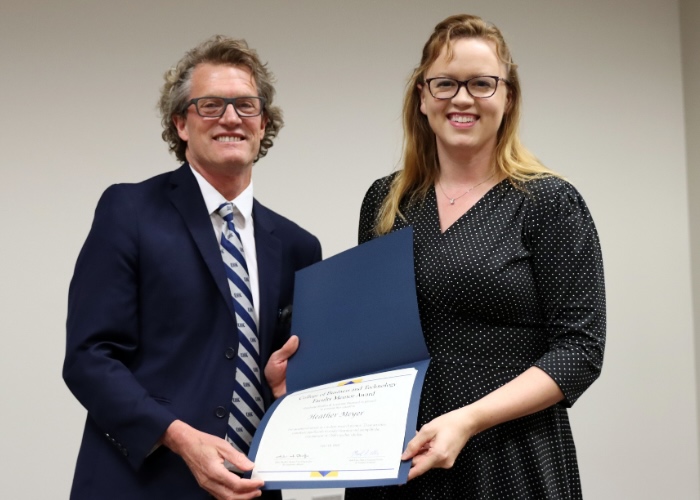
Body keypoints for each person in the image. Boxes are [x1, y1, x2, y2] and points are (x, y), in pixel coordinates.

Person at [345, 14, 605, 499]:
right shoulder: (386, 204)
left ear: (507, 98)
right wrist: (304, 380)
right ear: (422, 97)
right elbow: (370, 338)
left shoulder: (547, 202)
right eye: (445, 83)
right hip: (399, 458)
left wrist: (468, 421)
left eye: (482, 84)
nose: (462, 99)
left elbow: (580, 351)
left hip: (507, 460)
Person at [63, 35, 321, 500]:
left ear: (263, 125)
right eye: (210, 105)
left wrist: (289, 388)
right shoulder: (130, 210)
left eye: (246, 105)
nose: (230, 118)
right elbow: (88, 358)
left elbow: (287, 380)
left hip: (250, 487)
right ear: (181, 123)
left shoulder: (299, 247)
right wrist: (179, 436)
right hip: (139, 484)